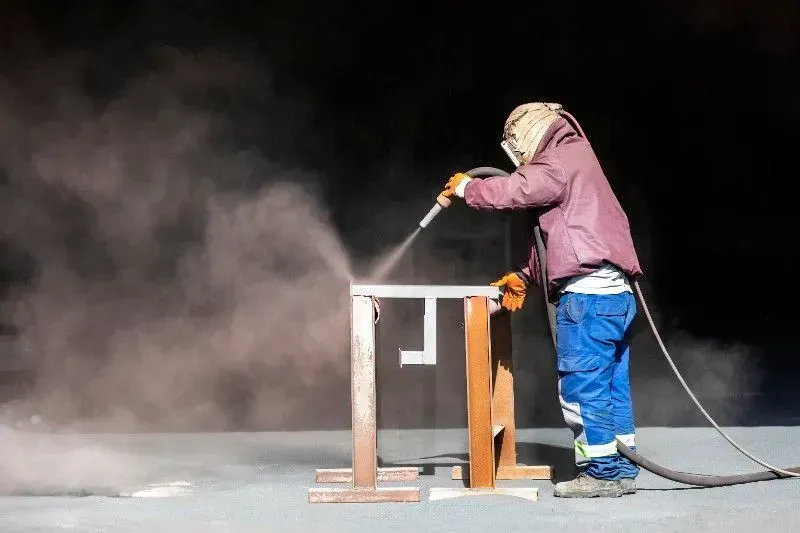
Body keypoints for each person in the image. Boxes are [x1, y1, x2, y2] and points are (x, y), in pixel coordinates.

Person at [441, 102, 643, 498]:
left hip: (586, 299)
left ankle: (601, 473)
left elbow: (517, 189)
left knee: (582, 387)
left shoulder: (558, 161)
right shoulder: (581, 160)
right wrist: (525, 276)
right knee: (610, 386)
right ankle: (620, 467)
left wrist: (469, 188)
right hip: (616, 297)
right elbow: (560, 236)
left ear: (527, 135)